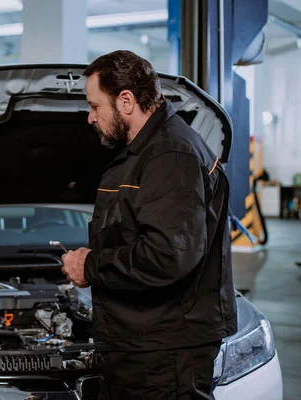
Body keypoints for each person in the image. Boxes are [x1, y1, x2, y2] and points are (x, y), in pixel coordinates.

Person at [61, 50, 237, 399]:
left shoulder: (171, 155)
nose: (90, 118)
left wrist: (89, 265)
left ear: (125, 101)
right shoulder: (149, 151)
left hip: (164, 352)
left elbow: (166, 256)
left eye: (95, 106)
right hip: (146, 344)